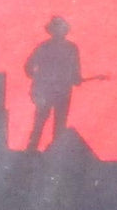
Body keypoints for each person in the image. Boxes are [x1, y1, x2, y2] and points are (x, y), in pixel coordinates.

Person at [25, 16, 82, 151]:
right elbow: (28, 66)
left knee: (58, 122)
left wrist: (75, 78)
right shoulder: (45, 47)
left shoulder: (70, 48)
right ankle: (33, 150)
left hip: (61, 90)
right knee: (42, 120)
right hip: (49, 90)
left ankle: (52, 150)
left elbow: (76, 70)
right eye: (56, 29)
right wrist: (39, 79)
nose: (59, 32)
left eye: (61, 29)